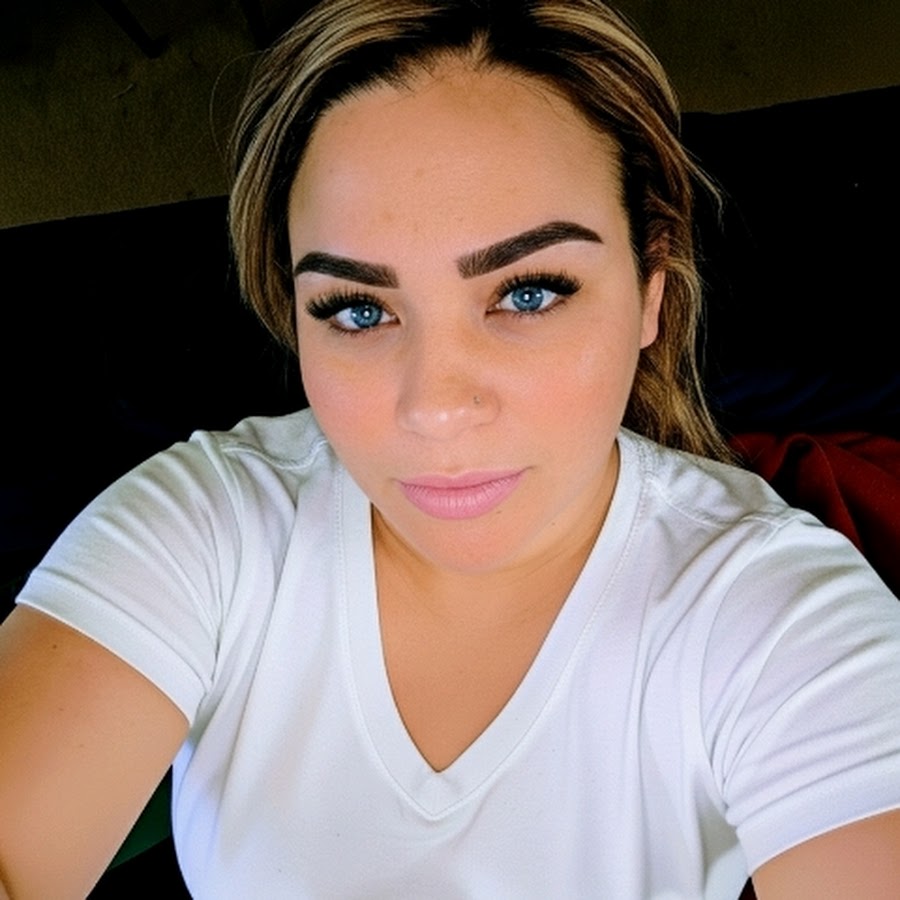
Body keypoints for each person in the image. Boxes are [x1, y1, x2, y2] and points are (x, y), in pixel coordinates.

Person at [2, 0, 899, 896]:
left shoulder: (776, 613)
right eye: (359, 310)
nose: (434, 408)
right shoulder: (211, 525)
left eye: (530, 294)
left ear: (651, 292)